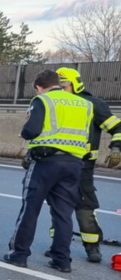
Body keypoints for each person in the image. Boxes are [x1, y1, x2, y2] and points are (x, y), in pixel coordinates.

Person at [4, 69, 93, 273]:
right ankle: (62, 260)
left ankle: (19, 254)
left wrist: (24, 133)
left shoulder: (43, 101)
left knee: (30, 208)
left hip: (46, 162)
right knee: (63, 214)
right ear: (58, 83)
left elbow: (31, 130)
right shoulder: (84, 104)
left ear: (38, 87)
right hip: (74, 164)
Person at [45, 68, 121, 263]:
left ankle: (92, 247)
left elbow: (117, 128)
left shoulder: (93, 104)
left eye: (65, 84)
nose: (62, 88)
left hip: (83, 165)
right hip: (57, 162)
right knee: (58, 206)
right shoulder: (55, 104)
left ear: (75, 83)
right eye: (59, 84)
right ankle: (58, 247)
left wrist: (116, 148)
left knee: (85, 207)